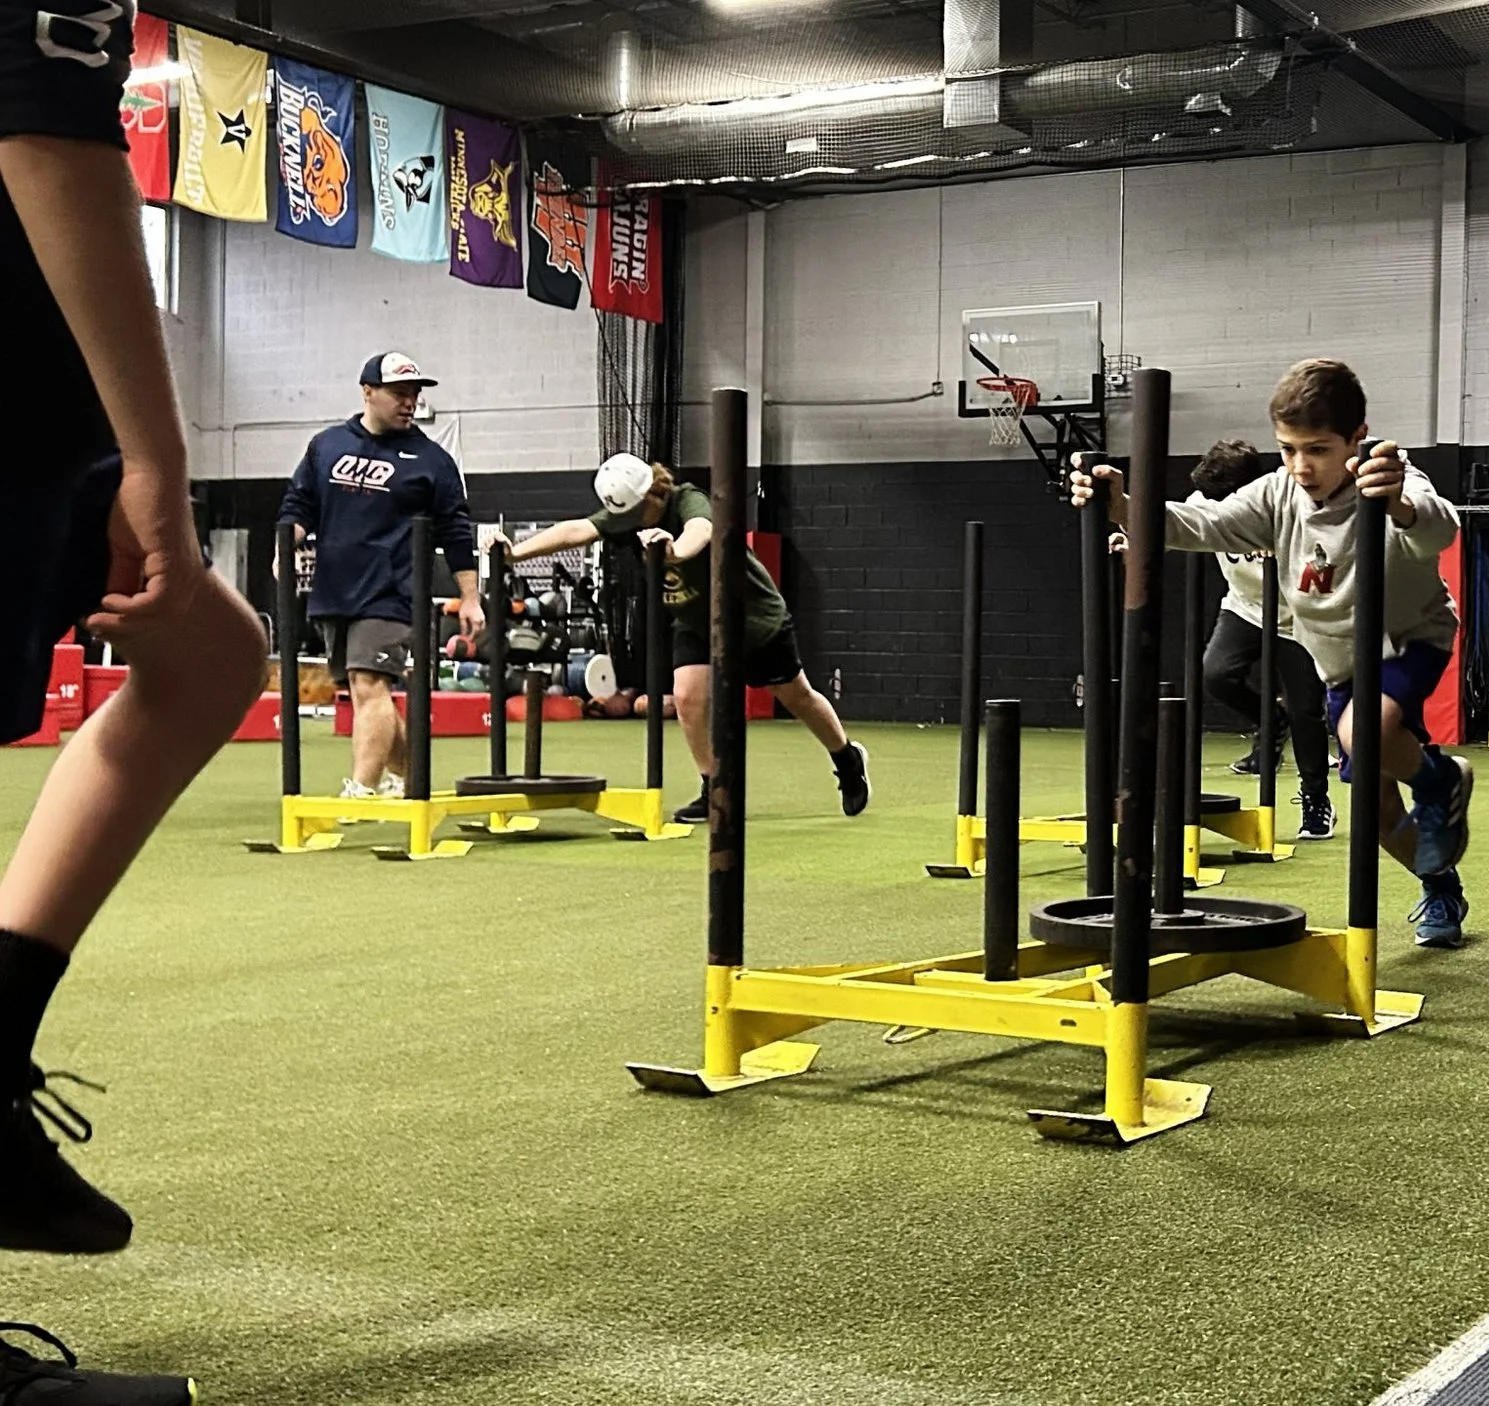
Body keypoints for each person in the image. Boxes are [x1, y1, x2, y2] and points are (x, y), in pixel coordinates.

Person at [1, 3, 268, 1397]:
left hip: (44, 432)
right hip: (29, 421)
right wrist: (155, 456)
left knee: (212, 657)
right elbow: (43, 136)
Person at [1068, 359, 1474, 948]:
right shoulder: (1278, 492)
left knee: (1367, 731)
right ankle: (1441, 887)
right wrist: (1125, 506)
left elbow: (1439, 527)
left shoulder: (1389, 478)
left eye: (1318, 449)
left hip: (1408, 640)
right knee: (1379, 812)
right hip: (1338, 662)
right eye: (1287, 449)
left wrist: (1399, 506)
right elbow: (1206, 524)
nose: (1301, 466)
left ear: (1356, 438)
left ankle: (1440, 780)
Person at [492, 454, 869, 823]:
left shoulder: (687, 499)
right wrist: (515, 553)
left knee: (795, 696)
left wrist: (674, 552)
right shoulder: (627, 513)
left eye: (635, 514)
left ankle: (847, 759)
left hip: (750, 616)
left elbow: (701, 530)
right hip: (694, 621)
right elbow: (577, 530)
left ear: (653, 496)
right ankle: (714, 790)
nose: (627, 523)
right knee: (688, 697)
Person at [277, 352, 486, 800]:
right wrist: (286, 545)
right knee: (362, 691)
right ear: (367, 392)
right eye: (399, 393)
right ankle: (411, 780)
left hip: (395, 592)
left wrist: (470, 596)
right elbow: (300, 506)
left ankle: (361, 789)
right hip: (335, 589)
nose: (409, 402)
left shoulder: (432, 461)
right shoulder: (327, 445)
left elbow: (455, 531)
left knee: (368, 682)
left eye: (414, 394)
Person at [1191, 440, 1335, 843]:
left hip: (1297, 617)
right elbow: (1181, 522)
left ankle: (1315, 799)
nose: (1220, 507)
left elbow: (1326, 566)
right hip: (1245, 607)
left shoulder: (1296, 507)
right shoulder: (1206, 499)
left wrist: (1289, 550)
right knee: (1216, 674)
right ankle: (1272, 720)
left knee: (1307, 710)